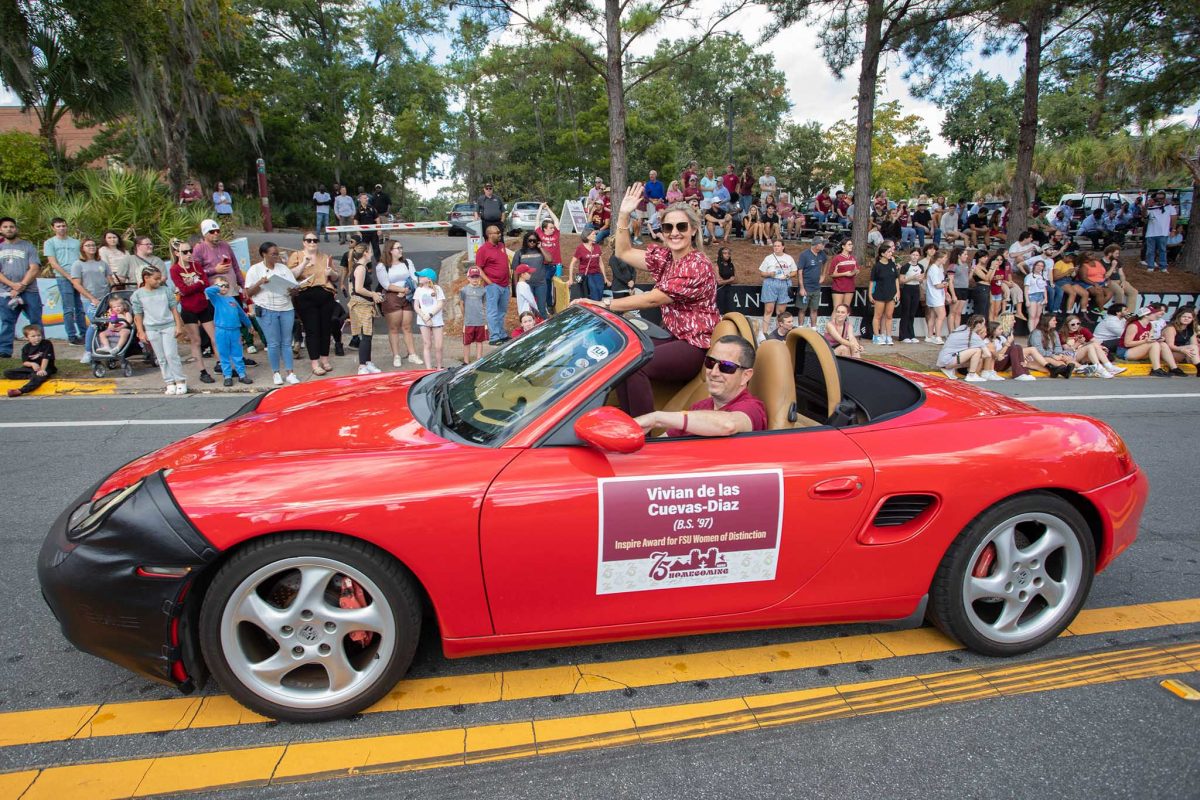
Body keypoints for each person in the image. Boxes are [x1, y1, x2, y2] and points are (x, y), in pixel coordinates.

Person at [578, 185, 719, 418]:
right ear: (661, 230)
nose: (674, 232)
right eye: (668, 227)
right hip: (674, 336)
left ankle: (642, 430)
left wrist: (604, 305)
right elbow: (623, 252)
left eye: (681, 226)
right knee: (621, 352)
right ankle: (626, 419)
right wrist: (623, 214)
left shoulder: (697, 264)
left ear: (693, 230)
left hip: (695, 345)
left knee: (635, 365)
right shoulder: (666, 258)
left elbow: (655, 299)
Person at [634, 335, 766, 438]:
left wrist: (656, 418)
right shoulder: (700, 407)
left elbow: (728, 425)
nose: (713, 372)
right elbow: (662, 443)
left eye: (726, 366)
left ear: (746, 376)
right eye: (710, 362)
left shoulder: (752, 408)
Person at [245, 241, 301, 385]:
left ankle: (290, 372)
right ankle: (276, 372)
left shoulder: (283, 268)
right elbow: (248, 293)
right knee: (273, 343)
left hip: (285, 308)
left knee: (287, 342)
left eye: (277, 253)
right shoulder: (255, 269)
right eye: (273, 254)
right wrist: (260, 283)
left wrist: (294, 290)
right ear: (264, 254)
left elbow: (294, 289)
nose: (276, 256)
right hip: (266, 308)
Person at [290, 231, 340, 375]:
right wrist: (304, 263)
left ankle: (324, 359)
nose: (312, 243)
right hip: (305, 294)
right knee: (312, 329)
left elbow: (336, 277)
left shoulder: (324, 257)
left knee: (325, 328)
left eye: (315, 240)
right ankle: (314, 361)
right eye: (309, 240)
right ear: (304, 242)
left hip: (324, 293)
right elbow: (291, 275)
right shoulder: (297, 256)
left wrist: (331, 273)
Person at [169, 238, 218, 384]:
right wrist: (198, 284)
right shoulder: (175, 269)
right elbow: (183, 290)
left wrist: (197, 285)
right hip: (189, 308)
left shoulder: (196, 265)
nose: (189, 254)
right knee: (196, 340)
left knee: (214, 337)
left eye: (190, 251)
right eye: (185, 252)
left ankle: (222, 364)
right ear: (177, 253)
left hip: (203, 304)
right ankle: (202, 371)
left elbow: (206, 283)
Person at [133, 265, 188, 394]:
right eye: (156, 279)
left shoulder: (165, 290)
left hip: (168, 325)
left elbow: (173, 308)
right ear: (146, 278)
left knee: (171, 354)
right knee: (161, 357)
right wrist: (140, 331)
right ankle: (169, 381)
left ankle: (180, 380)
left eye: (159, 279)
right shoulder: (138, 294)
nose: (159, 281)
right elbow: (138, 314)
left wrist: (178, 325)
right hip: (151, 328)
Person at [0, 217, 42, 358]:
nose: (9, 229)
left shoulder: (27, 246)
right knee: (7, 322)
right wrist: (13, 286)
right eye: (5, 227)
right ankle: (5, 351)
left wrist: (22, 285)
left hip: (29, 291)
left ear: (16, 229)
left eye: (11, 226)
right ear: (1, 230)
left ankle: (41, 349)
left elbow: (34, 268)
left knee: (36, 321)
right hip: (7, 292)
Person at [376, 241, 421, 366]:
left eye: (401, 247)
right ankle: (396, 355)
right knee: (394, 328)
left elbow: (414, 278)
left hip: (407, 295)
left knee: (407, 327)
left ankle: (412, 353)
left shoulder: (407, 262)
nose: (400, 250)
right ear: (390, 250)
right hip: (392, 296)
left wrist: (408, 290)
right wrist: (401, 290)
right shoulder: (382, 266)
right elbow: (386, 284)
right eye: (397, 248)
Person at [203, 275, 253, 387]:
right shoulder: (216, 298)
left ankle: (242, 374)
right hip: (221, 331)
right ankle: (227, 375)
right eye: (221, 285)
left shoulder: (232, 300)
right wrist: (217, 287)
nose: (223, 288)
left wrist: (249, 324)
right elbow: (207, 290)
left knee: (237, 353)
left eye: (225, 286)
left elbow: (241, 314)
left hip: (235, 331)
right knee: (224, 354)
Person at [68, 238, 110, 363]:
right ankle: (88, 351)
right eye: (88, 245)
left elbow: (109, 279)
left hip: (105, 298)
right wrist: (91, 298)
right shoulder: (78, 264)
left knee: (109, 323)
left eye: (93, 245)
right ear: (82, 248)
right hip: (90, 300)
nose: (91, 247)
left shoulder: (102, 263)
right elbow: (77, 284)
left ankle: (105, 347)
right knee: (94, 323)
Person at [42, 218, 84, 344]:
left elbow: (81, 259)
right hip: (63, 278)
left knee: (80, 308)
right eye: (58, 226)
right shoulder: (50, 243)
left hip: (78, 277)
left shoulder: (76, 242)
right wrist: (67, 275)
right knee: (68, 309)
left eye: (63, 226)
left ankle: (85, 334)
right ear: (53, 228)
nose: (61, 228)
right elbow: (53, 263)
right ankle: (72, 336)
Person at [346, 246, 383, 375]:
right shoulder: (361, 268)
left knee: (368, 334)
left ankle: (367, 362)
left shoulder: (359, 267)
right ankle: (362, 365)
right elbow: (359, 288)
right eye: (370, 252)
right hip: (362, 304)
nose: (372, 254)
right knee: (366, 335)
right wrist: (373, 294)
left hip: (364, 303)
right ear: (365, 253)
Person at [1119, 306, 1179, 377]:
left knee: (1162, 344)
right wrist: (1146, 341)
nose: (1156, 315)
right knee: (1154, 344)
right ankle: (1156, 369)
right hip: (1125, 351)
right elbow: (1127, 344)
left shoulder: (1149, 325)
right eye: (1154, 313)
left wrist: (1158, 339)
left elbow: (1150, 339)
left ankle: (1174, 368)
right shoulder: (1134, 325)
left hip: (1139, 349)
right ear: (1146, 315)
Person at [475, 224, 510, 344]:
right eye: (497, 232)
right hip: (493, 286)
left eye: (500, 232)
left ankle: (501, 334)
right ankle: (494, 337)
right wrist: (490, 282)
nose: (500, 234)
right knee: (492, 312)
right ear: (489, 234)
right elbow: (478, 268)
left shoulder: (501, 245)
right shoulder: (483, 250)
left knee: (502, 312)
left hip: (505, 285)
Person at [936, 315, 994, 382]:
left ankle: (949, 368)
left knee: (976, 356)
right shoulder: (974, 337)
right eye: (983, 324)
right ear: (978, 325)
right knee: (977, 351)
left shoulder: (962, 327)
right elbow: (988, 355)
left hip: (943, 359)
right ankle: (971, 375)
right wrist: (978, 357)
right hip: (948, 360)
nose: (984, 326)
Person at [5, 324, 55, 397]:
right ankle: (32, 376)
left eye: (39, 335)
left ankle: (20, 391)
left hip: (45, 368)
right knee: (7, 372)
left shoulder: (46, 343)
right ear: (27, 337)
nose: (37, 338)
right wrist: (32, 364)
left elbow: (46, 358)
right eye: (33, 336)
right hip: (31, 369)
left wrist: (42, 369)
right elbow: (25, 362)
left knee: (39, 377)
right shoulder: (26, 348)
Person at [758, 239, 796, 336]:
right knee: (768, 310)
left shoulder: (789, 258)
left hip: (784, 283)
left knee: (780, 312)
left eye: (778, 246)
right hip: (771, 283)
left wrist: (788, 276)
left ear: (783, 247)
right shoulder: (768, 258)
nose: (776, 248)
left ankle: (778, 333)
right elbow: (762, 273)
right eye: (775, 246)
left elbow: (794, 271)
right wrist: (769, 274)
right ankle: (764, 333)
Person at [413, 268, 445, 369]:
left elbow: (440, 304)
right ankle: (428, 368)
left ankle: (439, 367)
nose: (419, 278)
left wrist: (430, 315)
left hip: (436, 319)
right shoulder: (419, 290)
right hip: (423, 320)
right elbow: (416, 306)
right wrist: (424, 317)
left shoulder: (437, 289)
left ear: (429, 278)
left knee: (438, 346)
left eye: (422, 276)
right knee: (427, 343)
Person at [870, 240, 899, 345]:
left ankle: (888, 336)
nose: (890, 254)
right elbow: (872, 282)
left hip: (891, 293)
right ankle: (876, 336)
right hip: (880, 293)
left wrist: (897, 292)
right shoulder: (877, 266)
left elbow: (896, 279)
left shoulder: (892, 264)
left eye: (891, 252)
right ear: (882, 254)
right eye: (888, 252)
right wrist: (870, 294)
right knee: (877, 315)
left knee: (889, 315)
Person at [512, 232, 548, 315]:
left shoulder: (540, 251)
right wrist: (516, 286)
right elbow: (515, 271)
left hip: (541, 284)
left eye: (534, 241)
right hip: (527, 285)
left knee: (541, 308)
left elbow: (549, 260)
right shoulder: (519, 253)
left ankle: (542, 324)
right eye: (530, 240)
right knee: (528, 309)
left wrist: (541, 248)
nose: (532, 242)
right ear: (526, 241)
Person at [795, 236, 826, 328]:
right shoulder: (804, 255)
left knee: (814, 309)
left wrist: (823, 275)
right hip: (806, 287)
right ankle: (800, 328)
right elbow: (800, 271)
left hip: (816, 287)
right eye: (822, 244)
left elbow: (826, 262)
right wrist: (802, 288)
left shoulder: (822, 254)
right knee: (802, 309)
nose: (824, 245)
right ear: (817, 245)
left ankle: (814, 329)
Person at [568, 229, 607, 302]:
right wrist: (570, 278)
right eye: (593, 234)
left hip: (597, 273)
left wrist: (605, 277)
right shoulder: (580, 248)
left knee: (600, 290)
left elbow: (600, 263)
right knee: (594, 291)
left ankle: (598, 306)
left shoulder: (597, 247)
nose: (595, 235)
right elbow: (572, 263)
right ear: (587, 236)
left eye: (595, 234)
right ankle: (594, 308)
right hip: (586, 275)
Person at [459, 267, 488, 364]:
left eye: (477, 277)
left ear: (480, 278)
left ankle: (479, 360)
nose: (475, 279)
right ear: (468, 278)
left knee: (479, 341)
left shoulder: (483, 290)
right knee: (466, 342)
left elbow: (484, 304)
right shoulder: (464, 290)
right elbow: (461, 304)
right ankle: (466, 361)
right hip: (469, 321)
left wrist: (484, 317)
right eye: (472, 277)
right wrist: (465, 316)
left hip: (480, 321)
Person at [1143, 191, 1176, 273]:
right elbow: (1144, 215)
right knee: (1150, 251)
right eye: (1157, 198)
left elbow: (1174, 219)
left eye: (1161, 198)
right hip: (1151, 233)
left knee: (1162, 250)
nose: (1159, 200)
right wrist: (1145, 207)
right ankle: (1151, 266)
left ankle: (1163, 267)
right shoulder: (1151, 208)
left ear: (1164, 199)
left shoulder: (1170, 207)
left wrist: (1173, 230)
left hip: (1163, 233)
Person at [1101, 244, 1140, 313]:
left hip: (1119, 280)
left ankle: (1130, 313)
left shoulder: (1117, 261)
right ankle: (1118, 311)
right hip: (1109, 281)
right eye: (1116, 253)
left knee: (1133, 292)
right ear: (1110, 253)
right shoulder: (1101, 262)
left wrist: (1123, 281)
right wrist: (1113, 266)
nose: (1118, 255)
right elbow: (1106, 276)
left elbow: (1121, 274)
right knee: (1120, 292)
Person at [536, 210, 562, 315]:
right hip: (544, 265)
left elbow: (556, 220)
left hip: (556, 264)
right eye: (550, 228)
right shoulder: (540, 234)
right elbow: (537, 220)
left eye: (553, 227)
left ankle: (554, 304)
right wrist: (540, 208)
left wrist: (548, 208)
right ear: (545, 228)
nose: (553, 229)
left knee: (557, 282)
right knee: (546, 281)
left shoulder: (556, 234)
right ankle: (549, 304)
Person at [897, 248, 924, 343]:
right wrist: (912, 277)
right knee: (906, 312)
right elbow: (901, 280)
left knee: (912, 313)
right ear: (910, 255)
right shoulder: (906, 266)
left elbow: (922, 278)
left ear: (919, 256)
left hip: (916, 289)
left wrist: (920, 279)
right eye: (913, 255)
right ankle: (903, 335)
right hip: (907, 289)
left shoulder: (921, 266)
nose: (915, 257)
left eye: (917, 255)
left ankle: (911, 334)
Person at [1161, 308, 1198, 374]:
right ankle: (1198, 366)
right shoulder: (1171, 328)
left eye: (1189, 317)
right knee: (1192, 348)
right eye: (1184, 316)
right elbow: (1170, 346)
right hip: (1167, 353)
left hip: (1179, 353)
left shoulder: (1190, 330)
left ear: (1192, 319)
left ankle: (1198, 366)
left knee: (1194, 347)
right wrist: (1182, 350)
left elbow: (1194, 345)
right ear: (1178, 317)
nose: (1186, 319)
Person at [923, 250, 949, 344]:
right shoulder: (934, 269)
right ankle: (938, 336)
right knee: (941, 315)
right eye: (945, 258)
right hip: (935, 296)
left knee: (933, 316)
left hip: (937, 295)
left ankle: (929, 336)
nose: (946, 259)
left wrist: (945, 291)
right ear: (939, 258)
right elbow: (937, 285)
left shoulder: (938, 268)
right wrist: (945, 284)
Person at [827, 238, 858, 313]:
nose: (851, 246)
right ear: (843, 246)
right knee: (837, 309)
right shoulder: (837, 258)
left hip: (850, 287)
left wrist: (855, 272)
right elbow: (831, 274)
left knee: (846, 310)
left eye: (851, 244)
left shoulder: (853, 258)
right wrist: (845, 274)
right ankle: (833, 324)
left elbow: (856, 269)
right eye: (849, 244)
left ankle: (844, 325)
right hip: (838, 287)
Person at [1023, 257, 1048, 336]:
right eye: (1038, 265)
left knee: (1037, 316)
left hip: (1040, 296)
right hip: (1032, 295)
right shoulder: (1029, 276)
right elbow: (1026, 289)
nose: (1039, 267)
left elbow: (1044, 288)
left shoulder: (1042, 276)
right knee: (1032, 316)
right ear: (1034, 266)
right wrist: (1027, 300)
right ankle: (1031, 333)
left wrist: (1045, 298)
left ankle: (1035, 332)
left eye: (1041, 266)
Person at [354, 193, 381, 260]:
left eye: (367, 198)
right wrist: (358, 231)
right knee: (364, 248)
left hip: (373, 232)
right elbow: (355, 221)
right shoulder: (358, 210)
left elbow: (377, 219)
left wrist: (379, 229)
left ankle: (379, 261)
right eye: (364, 198)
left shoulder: (371, 208)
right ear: (360, 199)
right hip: (364, 233)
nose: (366, 199)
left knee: (376, 247)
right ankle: (365, 262)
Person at [714, 246, 736, 314]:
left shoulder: (731, 265)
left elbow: (735, 279)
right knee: (720, 310)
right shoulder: (717, 265)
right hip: (720, 290)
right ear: (721, 254)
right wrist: (729, 280)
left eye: (728, 253)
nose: (727, 255)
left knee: (730, 310)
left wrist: (725, 281)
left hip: (729, 290)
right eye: (725, 253)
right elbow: (719, 282)